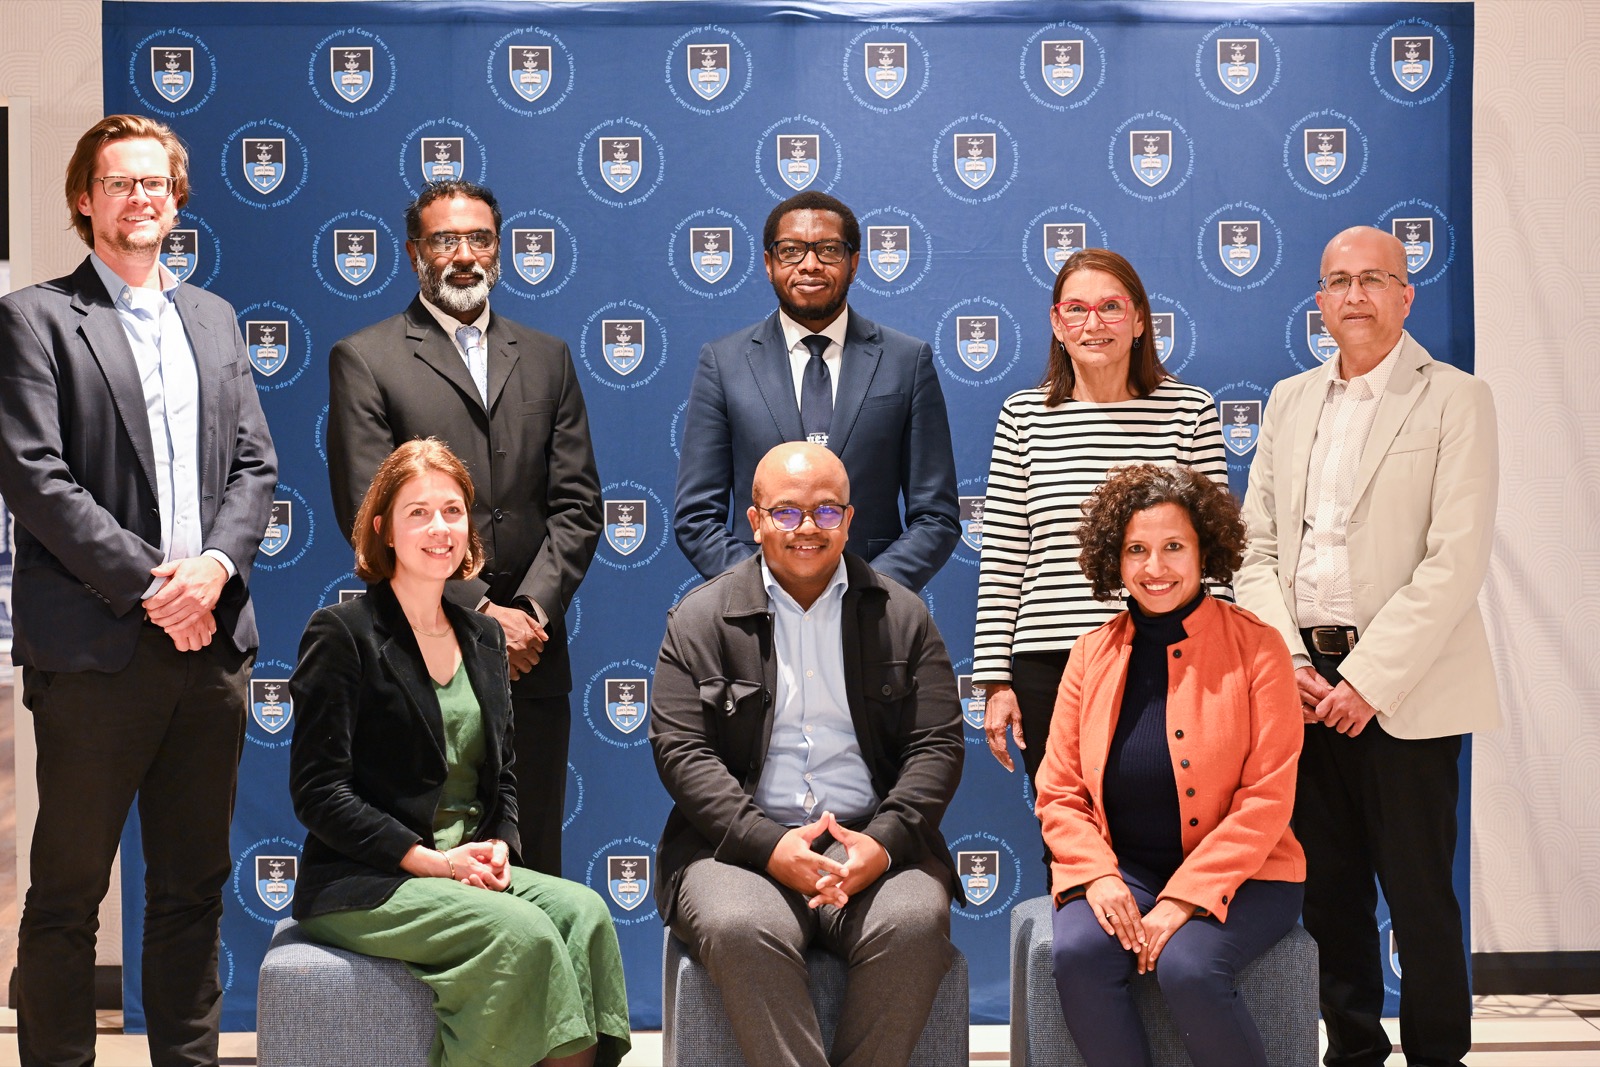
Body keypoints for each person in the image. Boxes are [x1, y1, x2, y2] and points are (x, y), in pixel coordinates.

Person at [0, 113, 277, 1065]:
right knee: (69, 892)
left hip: (211, 646)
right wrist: (154, 582)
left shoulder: (215, 318)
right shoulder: (36, 318)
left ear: (176, 198)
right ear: (86, 199)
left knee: (193, 886)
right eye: (120, 183)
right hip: (96, 649)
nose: (141, 198)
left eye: (155, 183)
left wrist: (214, 570)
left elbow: (255, 468)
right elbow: (35, 477)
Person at [1234, 225, 1500, 1067]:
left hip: (1406, 688)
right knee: (1330, 896)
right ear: (1318, 300)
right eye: (1338, 281)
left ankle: (1435, 1055)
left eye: (1375, 279)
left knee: (1421, 899)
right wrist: (1294, 667)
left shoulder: (1457, 397)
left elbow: (1454, 561)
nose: (1354, 295)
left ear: (1405, 294)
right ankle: (1352, 1050)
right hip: (1303, 685)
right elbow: (1256, 549)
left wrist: (1369, 682)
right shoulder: (1288, 399)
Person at [290, 439, 629, 1067]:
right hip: (366, 879)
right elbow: (319, 793)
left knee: (584, 914)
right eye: (417, 512)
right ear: (382, 529)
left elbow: (501, 780)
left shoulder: (483, 637)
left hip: (467, 861)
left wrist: (500, 843)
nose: (439, 527)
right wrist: (430, 863)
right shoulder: (342, 634)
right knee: (522, 934)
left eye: (452, 510)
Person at [650, 441, 965, 1066]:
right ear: (756, 521)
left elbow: (938, 746)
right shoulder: (700, 619)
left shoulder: (903, 616)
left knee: (915, 922)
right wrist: (768, 844)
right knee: (740, 927)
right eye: (787, 512)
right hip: (737, 852)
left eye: (826, 512)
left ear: (849, 521)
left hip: (873, 846)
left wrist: (883, 841)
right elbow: (682, 753)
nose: (807, 529)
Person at [328, 179, 601, 877]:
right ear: (415, 251)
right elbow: (369, 510)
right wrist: (481, 614)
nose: (463, 255)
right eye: (445, 240)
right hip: (419, 651)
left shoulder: (548, 356)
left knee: (533, 857)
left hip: (533, 657)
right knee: (432, 851)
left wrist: (529, 614)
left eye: (478, 239)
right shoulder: (366, 358)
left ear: (498, 250)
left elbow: (577, 505)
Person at [1037, 463, 1305, 1067]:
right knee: (1077, 954)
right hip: (1125, 868)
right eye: (1137, 550)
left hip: (1249, 877)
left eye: (1173, 547)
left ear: (1204, 549)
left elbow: (1266, 798)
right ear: (1115, 560)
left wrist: (1187, 898)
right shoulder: (1090, 652)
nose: (1154, 568)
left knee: (1188, 966)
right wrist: (1096, 874)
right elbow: (1059, 789)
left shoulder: (1259, 647)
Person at [973, 248, 1226, 876]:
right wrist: (995, 681)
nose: (1095, 323)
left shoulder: (1188, 410)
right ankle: (1081, 969)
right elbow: (1004, 551)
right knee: (1070, 839)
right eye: (1077, 310)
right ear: (1058, 324)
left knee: (1163, 826)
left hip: (1162, 657)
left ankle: (1168, 964)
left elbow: (1215, 557)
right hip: (1049, 663)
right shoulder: (1024, 417)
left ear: (1140, 320)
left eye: (1111, 307)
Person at [674, 190, 958, 592]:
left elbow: (936, 517)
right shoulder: (724, 363)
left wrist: (867, 591)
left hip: (872, 617)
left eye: (828, 250)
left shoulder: (906, 361)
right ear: (769, 264)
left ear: (854, 263)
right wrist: (764, 587)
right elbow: (696, 517)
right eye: (791, 251)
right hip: (759, 617)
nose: (810, 265)